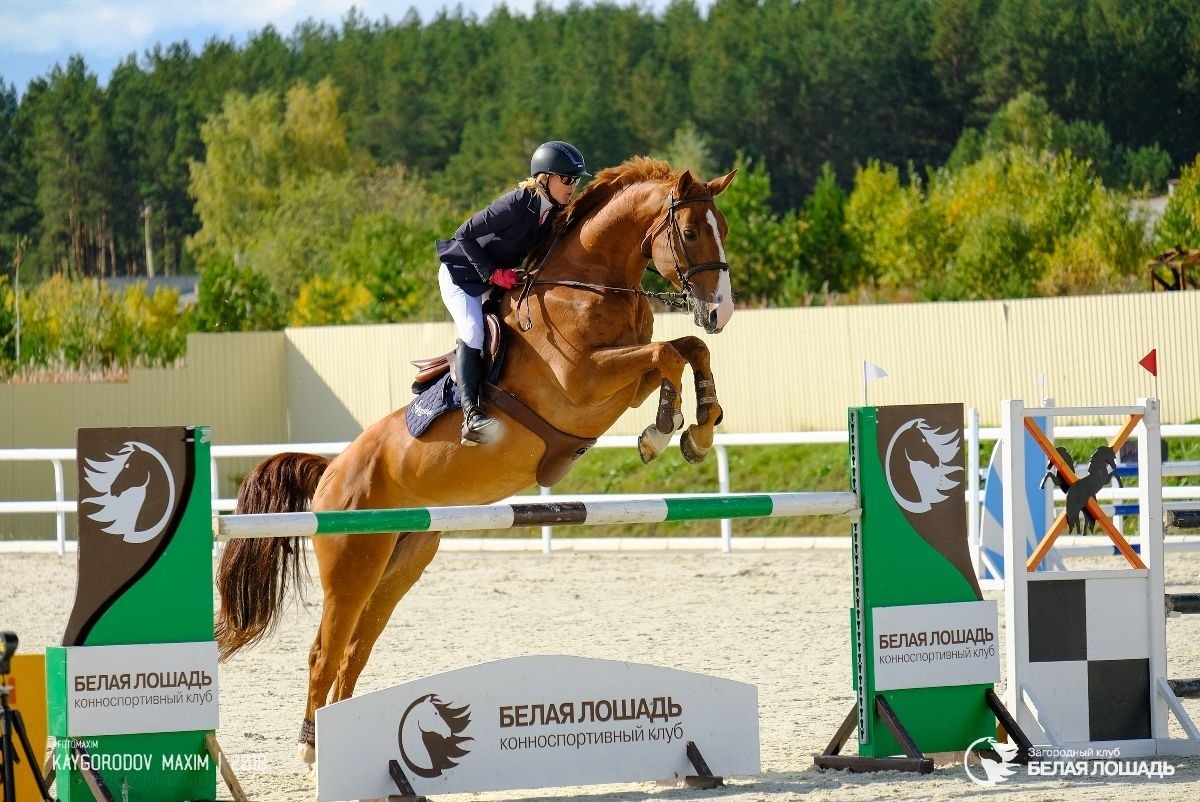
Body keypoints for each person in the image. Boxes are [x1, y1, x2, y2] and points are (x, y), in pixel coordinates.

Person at [435, 140, 589, 445]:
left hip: (496, 279)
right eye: (567, 179)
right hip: (461, 275)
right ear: (544, 178)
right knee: (473, 330)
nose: (573, 186)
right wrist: (491, 273)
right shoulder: (518, 203)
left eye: (577, 180)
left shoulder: (554, 213)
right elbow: (464, 234)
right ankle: (471, 416)